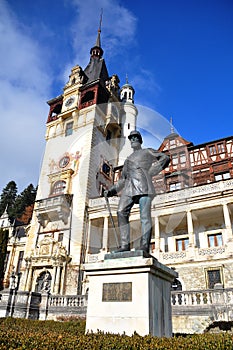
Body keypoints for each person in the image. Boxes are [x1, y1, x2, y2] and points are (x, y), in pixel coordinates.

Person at [105, 130, 170, 253]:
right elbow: (123, 179)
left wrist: (150, 172)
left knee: (144, 217)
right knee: (120, 212)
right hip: (129, 188)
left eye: (136, 137)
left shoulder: (147, 151)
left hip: (144, 186)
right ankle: (125, 245)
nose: (133, 140)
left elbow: (165, 158)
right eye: (131, 138)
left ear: (140, 140)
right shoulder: (128, 160)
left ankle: (145, 245)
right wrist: (111, 191)